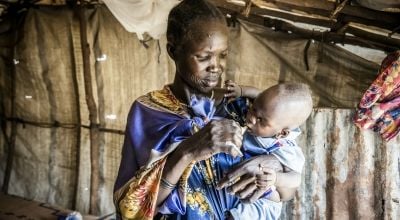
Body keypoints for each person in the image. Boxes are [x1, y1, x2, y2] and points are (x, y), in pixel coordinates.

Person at [113, 0, 297, 219]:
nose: (216, 66)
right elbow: (131, 209)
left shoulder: (242, 109)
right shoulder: (148, 112)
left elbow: (287, 192)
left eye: (223, 55)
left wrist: (273, 166)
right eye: (203, 57)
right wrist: (188, 151)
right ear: (173, 51)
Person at [217, 81, 313, 219]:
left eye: (261, 120)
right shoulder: (267, 111)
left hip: (263, 201)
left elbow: (295, 178)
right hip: (240, 186)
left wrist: (275, 178)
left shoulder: (285, 147)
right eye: (253, 109)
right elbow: (258, 95)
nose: (250, 119)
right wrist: (241, 90)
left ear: (282, 133)